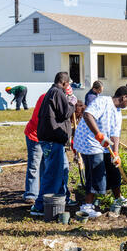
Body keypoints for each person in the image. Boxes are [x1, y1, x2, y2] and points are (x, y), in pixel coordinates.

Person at [73, 86, 127, 218]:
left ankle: (118, 198)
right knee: (96, 172)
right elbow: (88, 115)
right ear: (123, 97)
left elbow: (115, 134)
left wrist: (116, 154)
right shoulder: (103, 101)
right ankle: (87, 206)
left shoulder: (118, 112)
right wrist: (98, 135)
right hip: (89, 141)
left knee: (113, 168)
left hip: (103, 143)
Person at [30, 72, 77, 216]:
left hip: (52, 140)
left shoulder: (52, 92)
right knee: (52, 174)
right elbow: (64, 114)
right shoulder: (57, 93)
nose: (68, 87)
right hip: (53, 140)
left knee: (62, 170)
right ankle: (39, 206)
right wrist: (72, 103)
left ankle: (63, 198)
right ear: (64, 83)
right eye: (68, 84)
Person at [22, 93, 46, 204]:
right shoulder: (46, 98)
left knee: (44, 165)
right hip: (35, 135)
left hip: (45, 137)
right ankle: (31, 194)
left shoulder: (51, 96)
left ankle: (40, 192)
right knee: (34, 165)